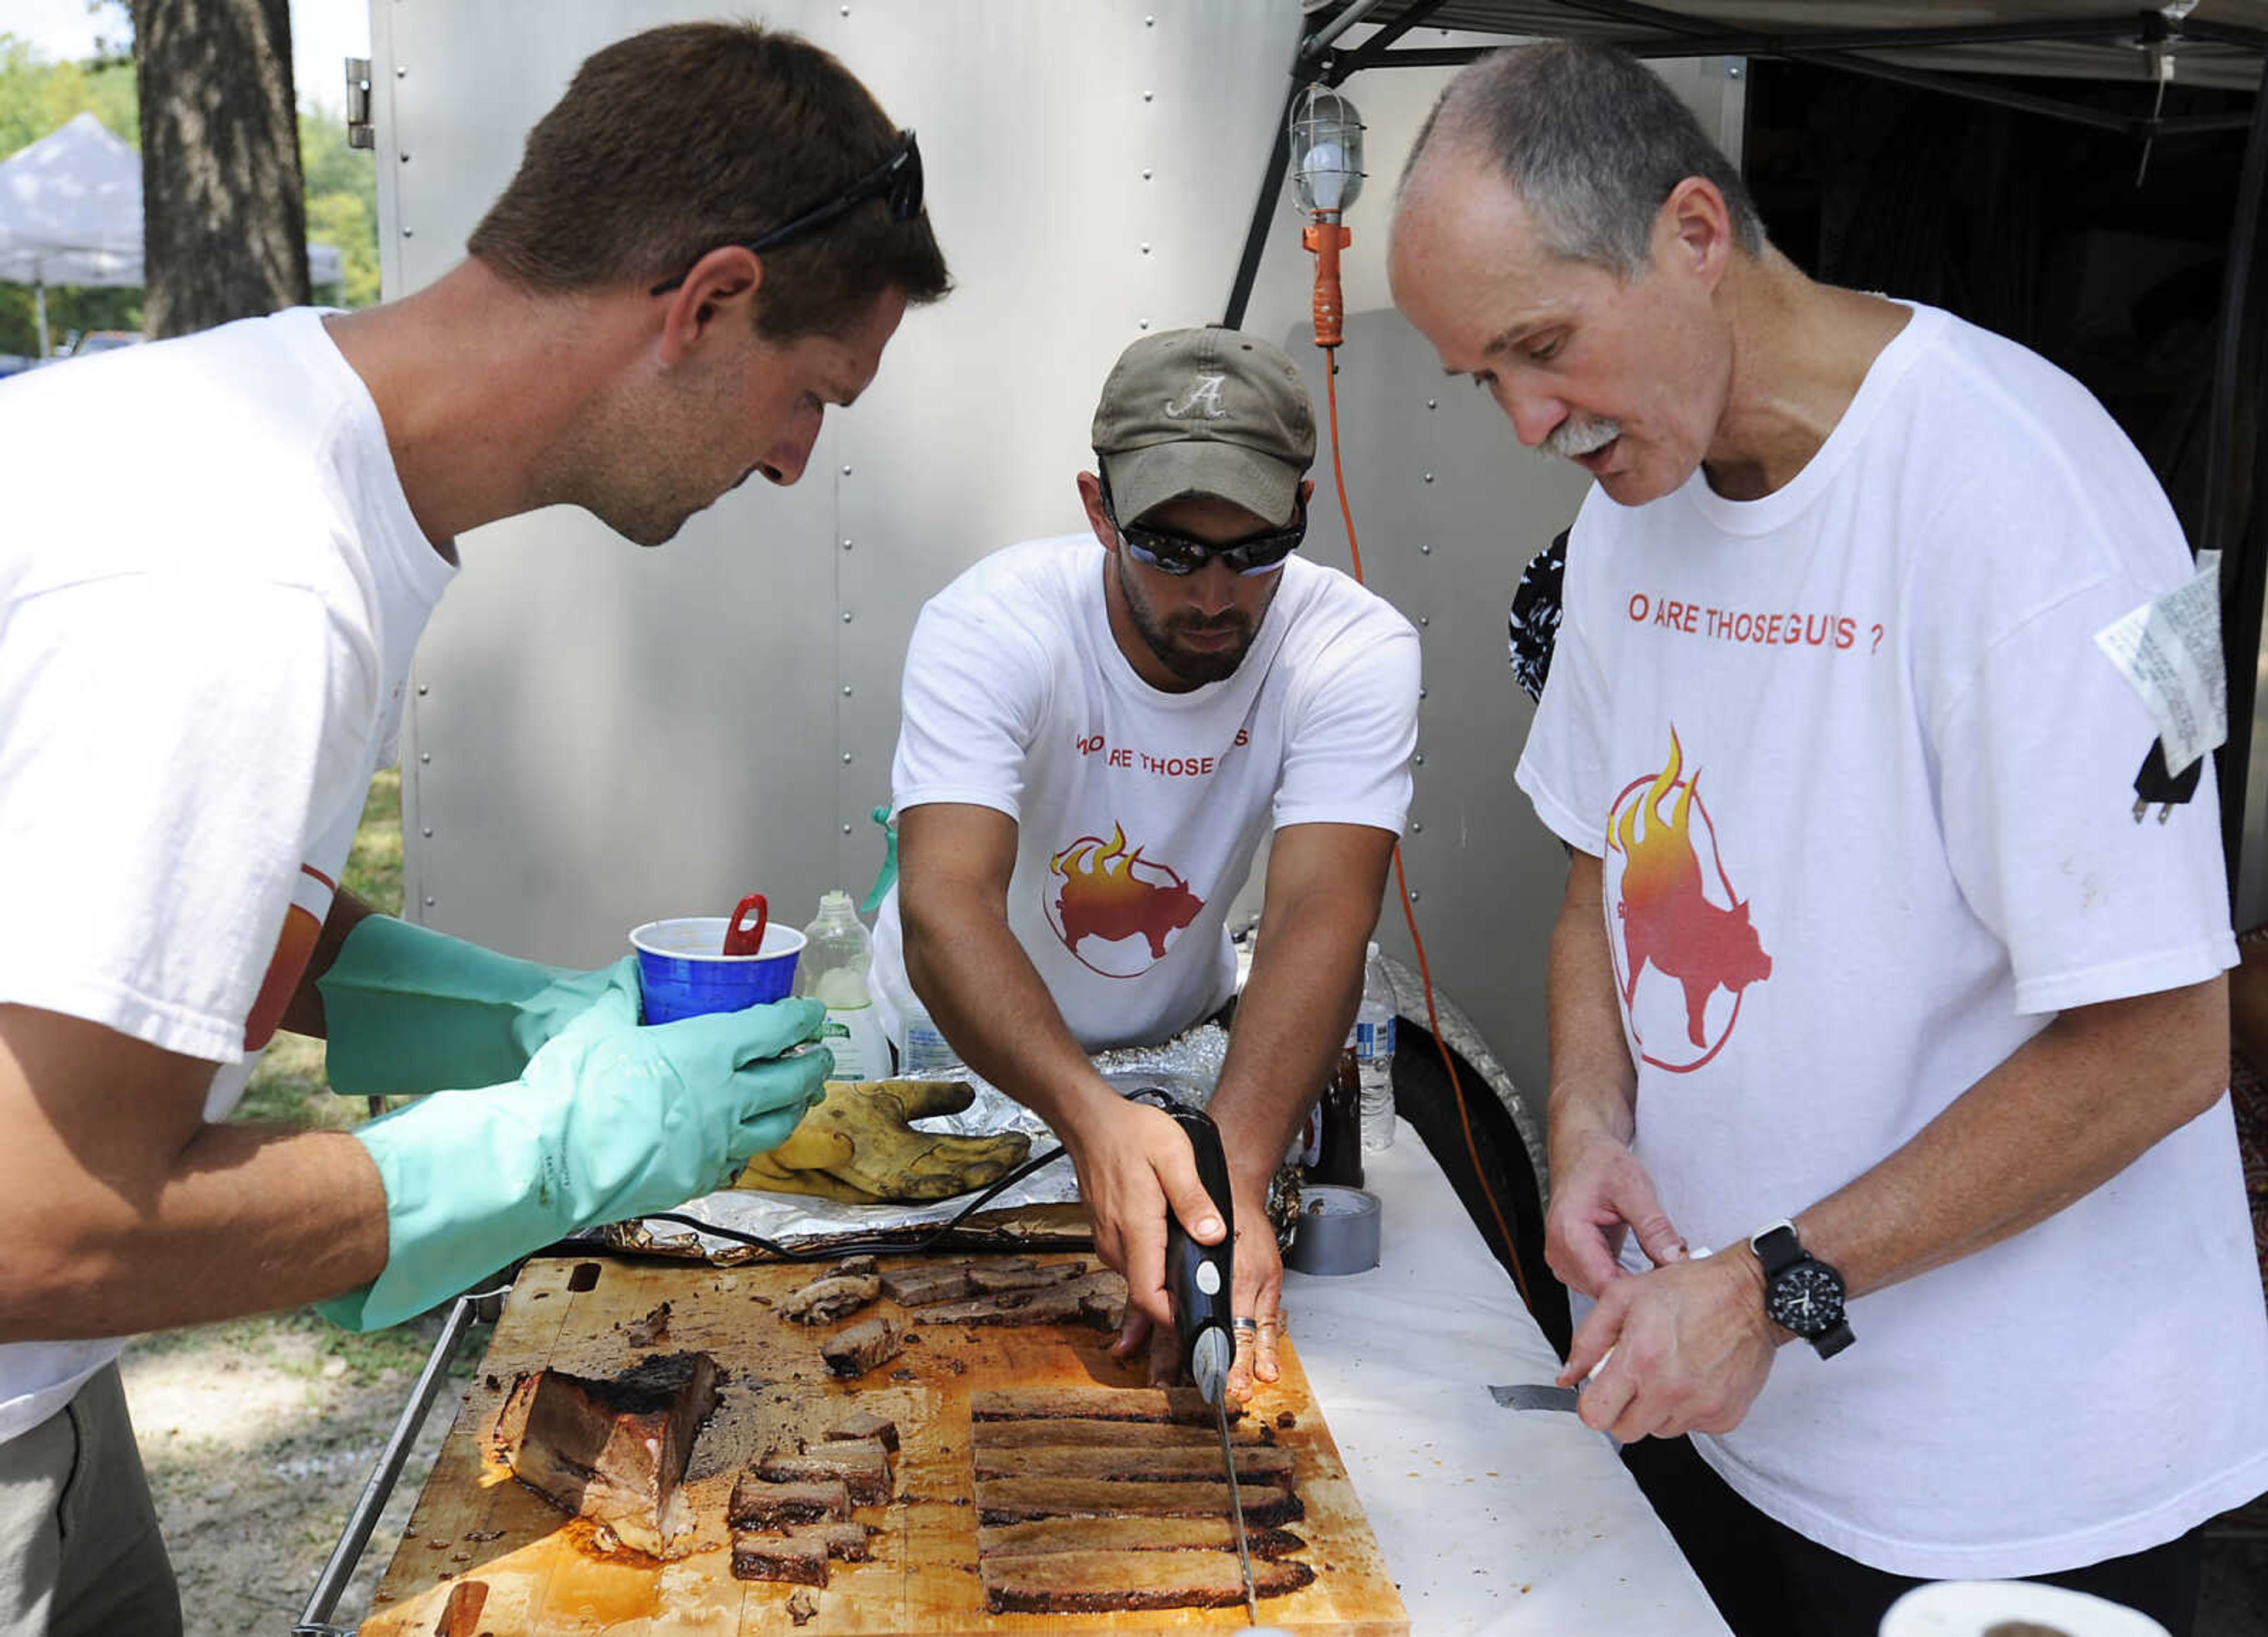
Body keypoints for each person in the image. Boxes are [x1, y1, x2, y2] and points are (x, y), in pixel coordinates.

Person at [0, 22, 948, 1635]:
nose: (796, 462)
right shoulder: (244, 584)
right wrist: (542, 1144)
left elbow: (164, 908)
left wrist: (507, 1017)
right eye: (811, 395)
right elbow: (39, 1222)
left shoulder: (281, 437)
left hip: (42, 1405)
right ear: (709, 300)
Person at [1388, 39, 2268, 1637]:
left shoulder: (2030, 501)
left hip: (2016, 1489)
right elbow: (1600, 881)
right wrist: (1592, 1121)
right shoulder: (1627, 516)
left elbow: (2165, 1047)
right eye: (1483, 377)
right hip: (1745, 1425)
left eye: (1541, 346)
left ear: (1695, 235)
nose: (1526, 419)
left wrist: (1776, 1283)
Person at [870, 326, 1420, 1397]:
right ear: (1097, 510)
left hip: (1176, 1041)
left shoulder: (1354, 649)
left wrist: (1235, 1177)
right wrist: (1085, 1118)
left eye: (1255, 548)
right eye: (1171, 550)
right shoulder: (992, 624)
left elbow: (1321, 915)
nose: (1215, 595)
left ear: (1302, 510)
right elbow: (946, 903)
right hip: (957, 1045)